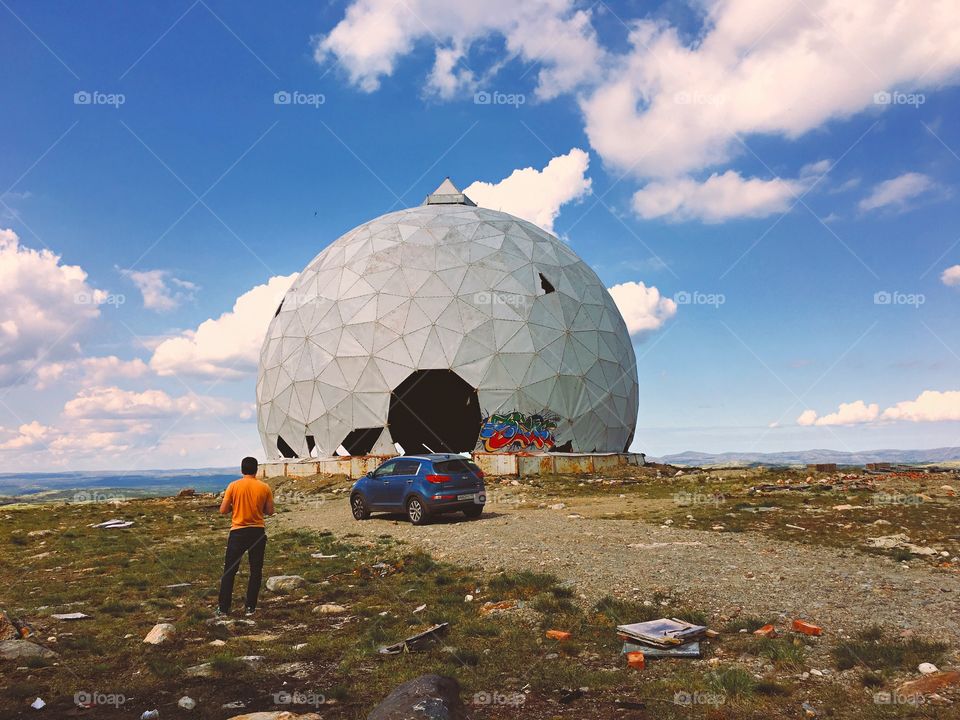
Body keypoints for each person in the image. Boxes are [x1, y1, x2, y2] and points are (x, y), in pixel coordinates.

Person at [217, 457, 274, 616]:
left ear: (242, 470)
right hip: (257, 531)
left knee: (230, 570)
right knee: (256, 570)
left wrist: (234, 506)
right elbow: (269, 511)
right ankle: (250, 607)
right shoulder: (264, 487)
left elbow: (223, 510)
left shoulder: (233, 486)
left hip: (238, 531)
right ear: (256, 470)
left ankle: (223, 608)